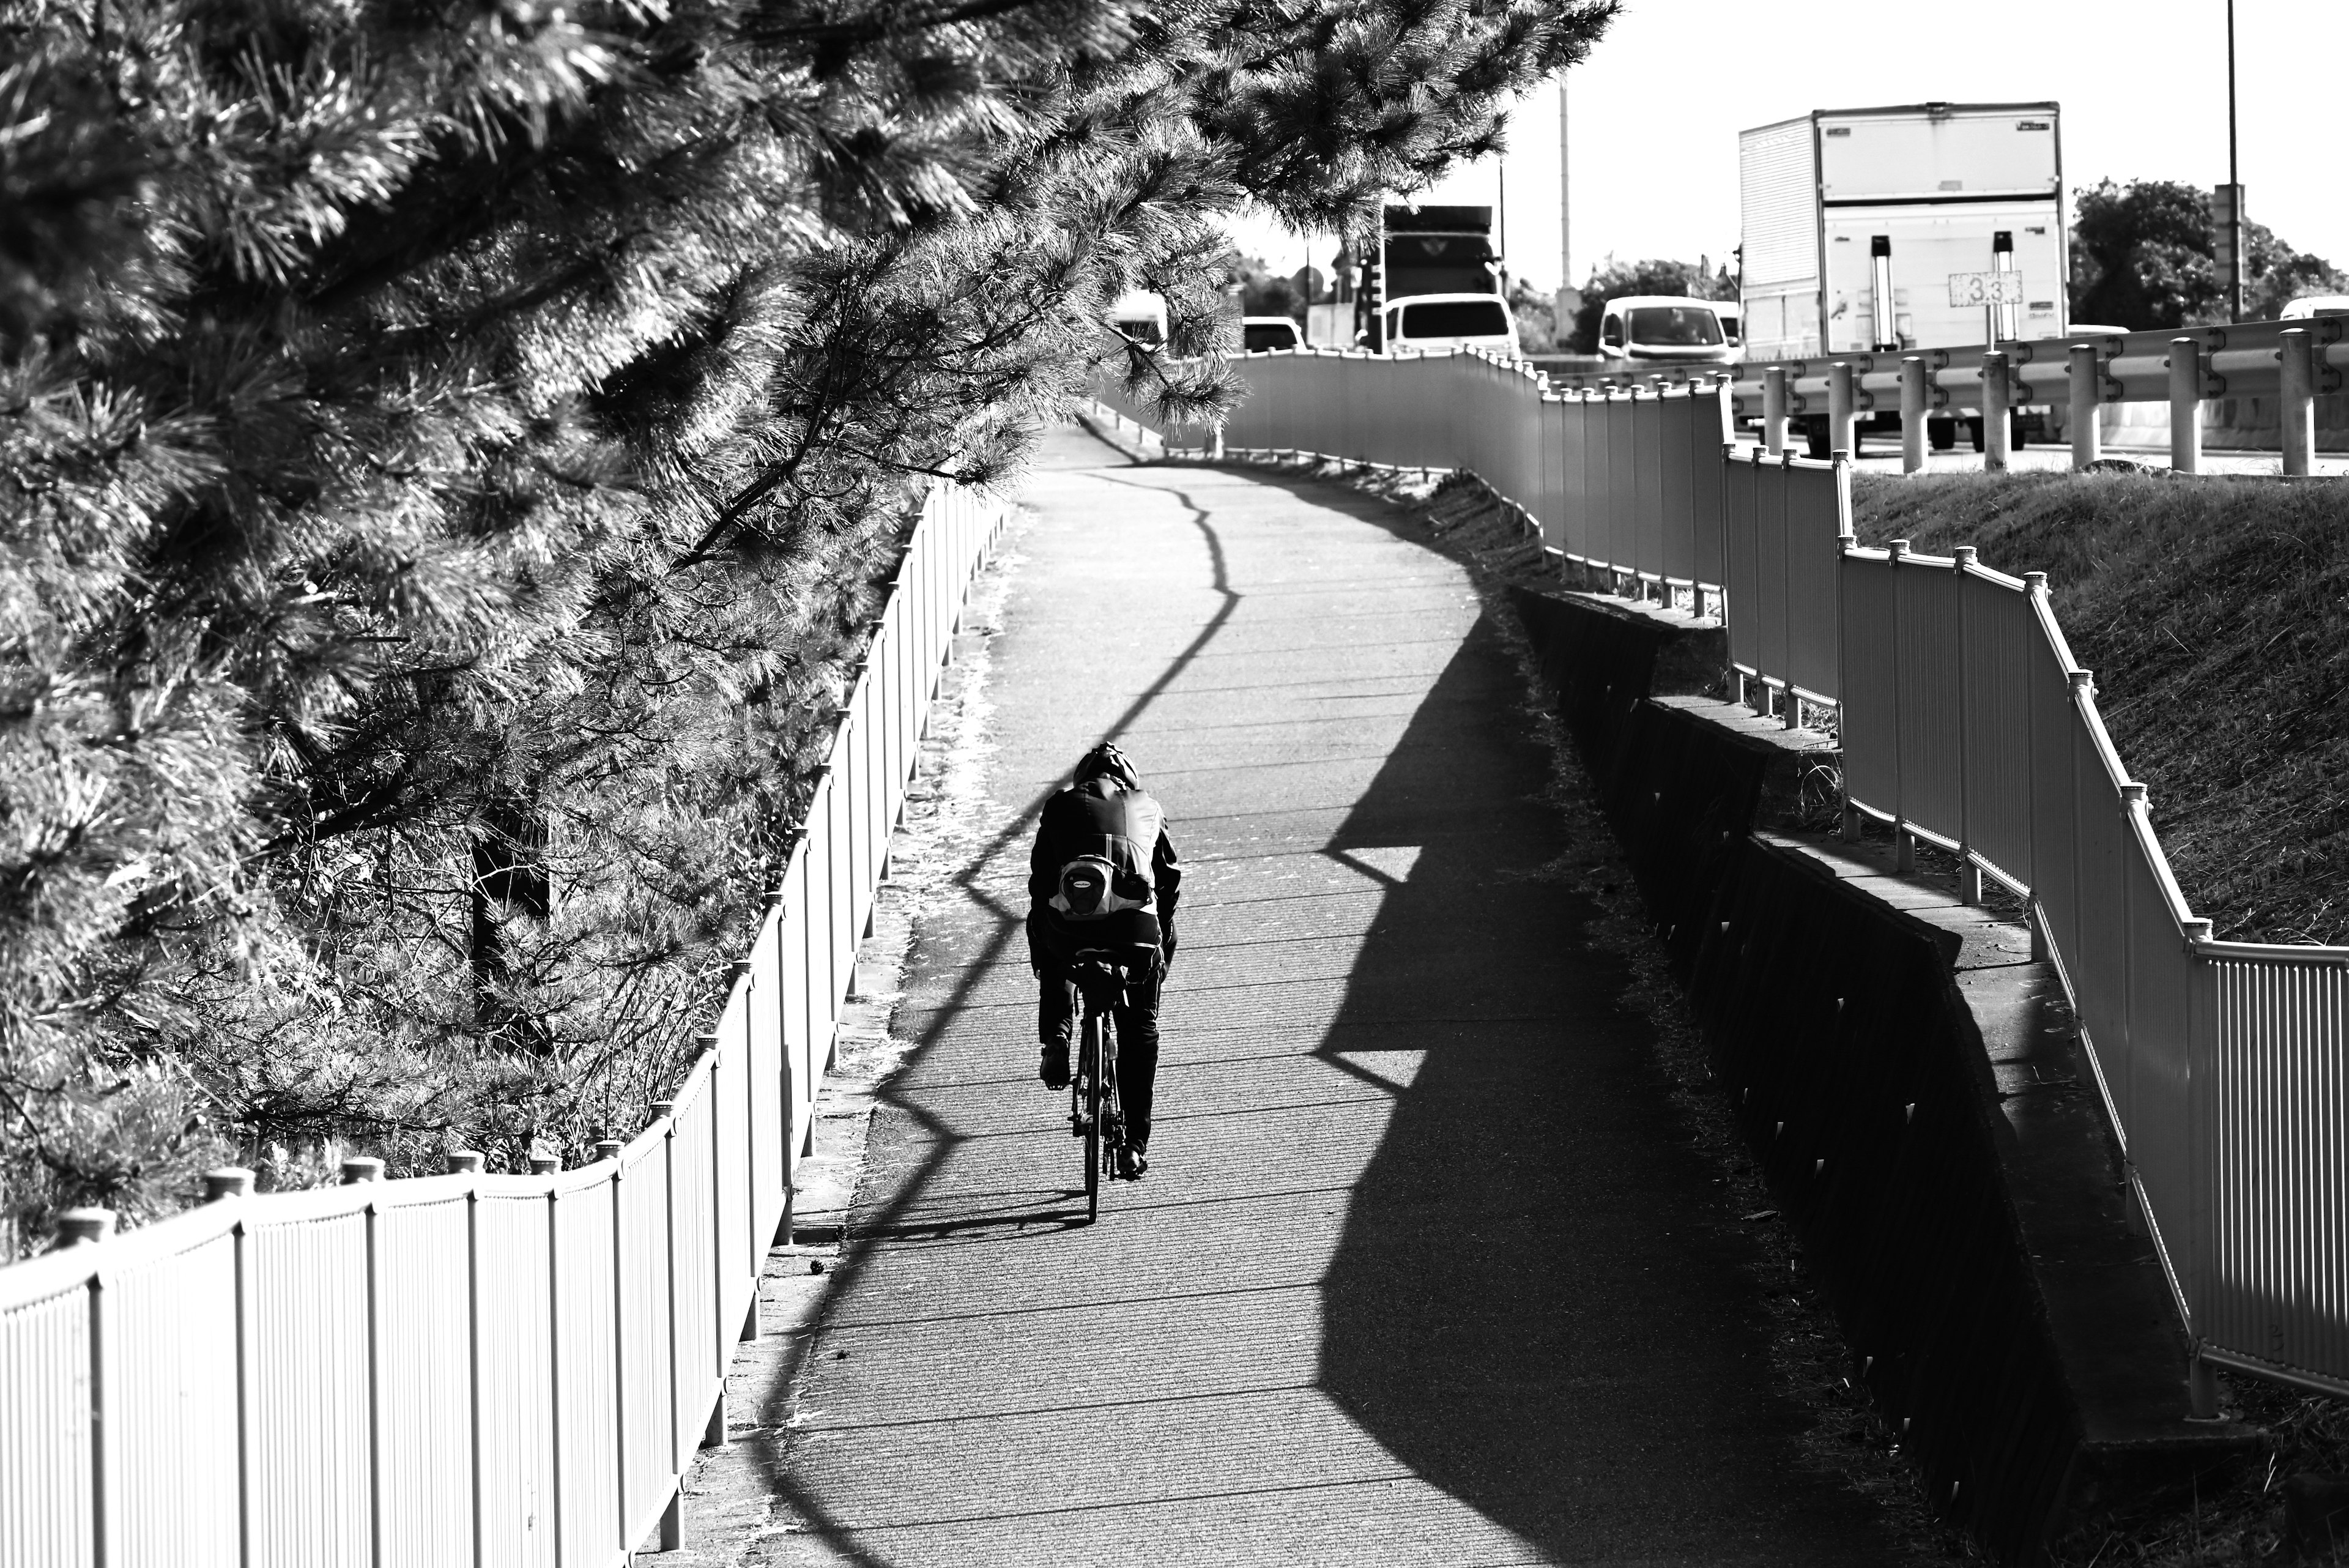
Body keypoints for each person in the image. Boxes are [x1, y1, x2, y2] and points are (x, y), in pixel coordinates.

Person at [1027, 742, 1180, 1179]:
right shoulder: (1147, 807)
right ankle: (1134, 1144)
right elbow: (1169, 882)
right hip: (1133, 933)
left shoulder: (1059, 806)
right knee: (1140, 1030)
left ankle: (1057, 1036)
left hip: (1071, 932)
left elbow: (1039, 882)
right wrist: (1160, 948)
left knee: (1048, 925)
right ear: (1128, 781)